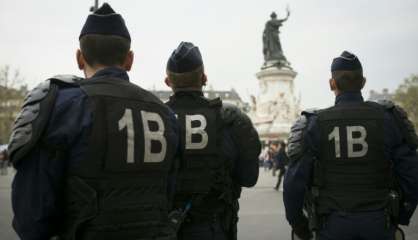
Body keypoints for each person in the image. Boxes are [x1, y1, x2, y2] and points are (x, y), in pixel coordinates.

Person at [8, 4, 179, 240]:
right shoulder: (165, 114)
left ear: (79, 58)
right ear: (129, 60)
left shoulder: (63, 107)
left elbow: (32, 217)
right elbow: (169, 195)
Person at [284, 51, 418, 240]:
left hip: (331, 223)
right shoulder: (389, 119)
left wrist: (299, 226)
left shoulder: (314, 123)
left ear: (332, 84)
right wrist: (402, 216)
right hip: (380, 220)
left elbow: (293, 183)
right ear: (363, 82)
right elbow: (411, 175)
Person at [164, 42, 260, 240]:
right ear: (204, 78)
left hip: (164, 226)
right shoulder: (230, 120)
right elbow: (249, 178)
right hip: (213, 226)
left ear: (167, 82)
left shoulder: (154, 119)